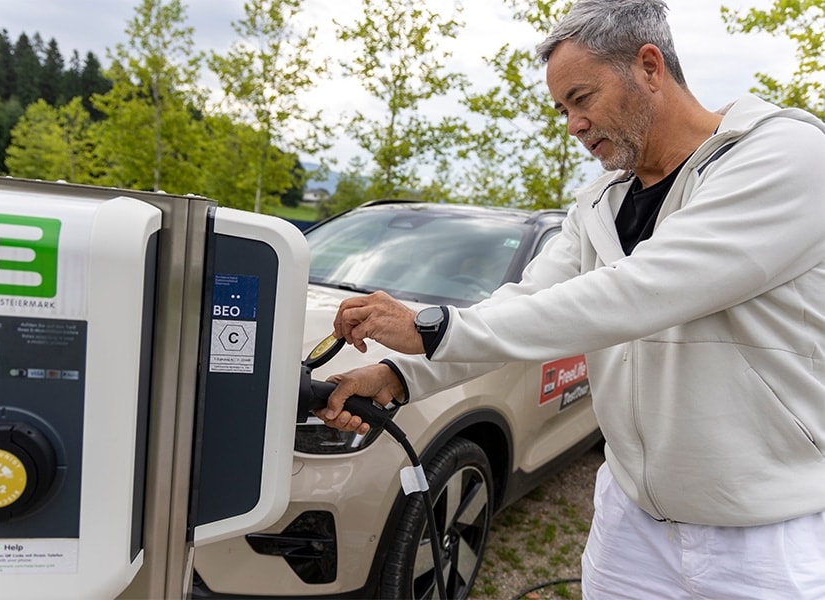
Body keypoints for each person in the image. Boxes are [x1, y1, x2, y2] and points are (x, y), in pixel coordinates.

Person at [316, 0, 825, 598]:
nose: (572, 126)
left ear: (650, 66)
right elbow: (530, 301)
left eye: (582, 99)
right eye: (562, 109)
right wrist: (401, 374)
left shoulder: (785, 156)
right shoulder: (598, 204)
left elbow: (642, 290)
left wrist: (431, 326)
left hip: (766, 537)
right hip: (630, 521)